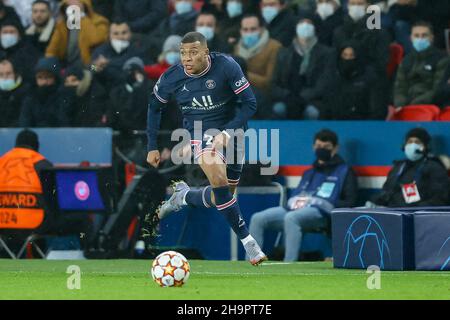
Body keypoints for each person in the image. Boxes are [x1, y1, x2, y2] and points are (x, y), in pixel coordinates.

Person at [146, 31, 267, 266]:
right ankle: (249, 243)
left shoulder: (227, 66)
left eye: (193, 52)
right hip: (200, 131)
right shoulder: (172, 77)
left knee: (223, 195)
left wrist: (227, 132)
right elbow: (153, 107)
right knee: (218, 180)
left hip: (233, 130)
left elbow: (250, 104)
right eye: (183, 53)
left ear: (205, 52)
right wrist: (152, 146)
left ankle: (184, 196)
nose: (186, 58)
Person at [249, 129, 358, 262]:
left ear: (335, 148)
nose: (321, 150)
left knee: (291, 218)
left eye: (326, 147)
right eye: (318, 146)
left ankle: (289, 264)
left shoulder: (345, 171)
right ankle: (253, 261)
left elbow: (350, 201)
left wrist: (328, 205)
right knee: (257, 218)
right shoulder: (309, 173)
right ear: (313, 147)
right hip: (294, 210)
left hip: (322, 215)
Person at [270, 15, 335, 120]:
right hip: (287, 99)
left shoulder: (326, 53)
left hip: (313, 100)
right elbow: (274, 82)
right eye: (301, 23)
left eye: (309, 23)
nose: (305, 26)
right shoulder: (283, 53)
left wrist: (303, 97)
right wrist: (287, 96)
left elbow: (324, 82)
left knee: (312, 113)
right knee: (278, 109)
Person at [367, 128, 449, 208]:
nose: (412, 145)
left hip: (419, 215)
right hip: (394, 213)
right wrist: (374, 202)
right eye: (409, 142)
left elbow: (440, 198)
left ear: (425, 147)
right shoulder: (398, 168)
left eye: (417, 142)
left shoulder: (434, 167)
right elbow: (387, 191)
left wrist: (415, 208)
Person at [0, 130, 52, 237]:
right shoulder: (43, 164)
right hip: (35, 226)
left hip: (3, 227)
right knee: (83, 220)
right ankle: (89, 251)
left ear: (16, 144)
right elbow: (53, 198)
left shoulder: (2, 161)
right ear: (37, 145)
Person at [394, 21, 450, 108]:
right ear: (411, 38)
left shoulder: (442, 59)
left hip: (431, 107)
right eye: (416, 36)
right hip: (407, 107)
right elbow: (400, 88)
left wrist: (413, 105)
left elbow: (438, 90)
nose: (420, 39)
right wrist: (400, 105)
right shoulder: (406, 60)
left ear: (431, 38)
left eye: (424, 35)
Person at [234, 13, 282, 116]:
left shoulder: (275, 47)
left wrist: (242, 75)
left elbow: (269, 82)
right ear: (241, 31)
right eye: (245, 30)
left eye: (253, 29)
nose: (249, 33)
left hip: (266, 97)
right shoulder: (237, 48)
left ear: (261, 29)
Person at [326, 41, 387, 119]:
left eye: (351, 55)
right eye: (345, 55)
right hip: (337, 124)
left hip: (363, 124)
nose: (347, 59)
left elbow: (378, 109)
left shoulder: (370, 77)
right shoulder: (334, 76)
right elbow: (328, 105)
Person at [333, 0, 390, 80]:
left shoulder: (379, 33)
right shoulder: (338, 32)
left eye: (360, 4)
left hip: (368, 81)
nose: (356, 7)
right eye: (352, 4)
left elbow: (381, 63)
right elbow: (334, 59)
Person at [45, 0, 109, 68]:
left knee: (98, 69)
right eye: (68, 6)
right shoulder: (63, 24)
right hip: (66, 67)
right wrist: (53, 66)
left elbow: (95, 40)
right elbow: (51, 51)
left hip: (90, 66)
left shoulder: (99, 21)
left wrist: (82, 15)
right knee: (47, 68)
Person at [90, 19, 146, 90]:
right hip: (104, 91)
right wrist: (96, 68)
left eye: (124, 33)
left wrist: (108, 63)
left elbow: (131, 65)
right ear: (109, 35)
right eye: (116, 34)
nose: (120, 37)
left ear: (130, 33)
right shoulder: (100, 50)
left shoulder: (137, 49)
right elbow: (90, 67)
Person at [19, 57, 66, 127]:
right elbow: (24, 123)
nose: (44, 82)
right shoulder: (30, 99)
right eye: (40, 77)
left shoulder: (63, 98)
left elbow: (64, 123)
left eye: (48, 77)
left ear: (56, 78)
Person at [0, 18, 40, 83]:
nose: (8, 35)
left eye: (12, 32)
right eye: (5, 32)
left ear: (19, 35)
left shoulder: (29, 52)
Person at [0, 58, 28, 127]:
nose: (5, 77)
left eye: (8, 73)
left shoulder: (25, 93)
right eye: (1, 74)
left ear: (15, 74)